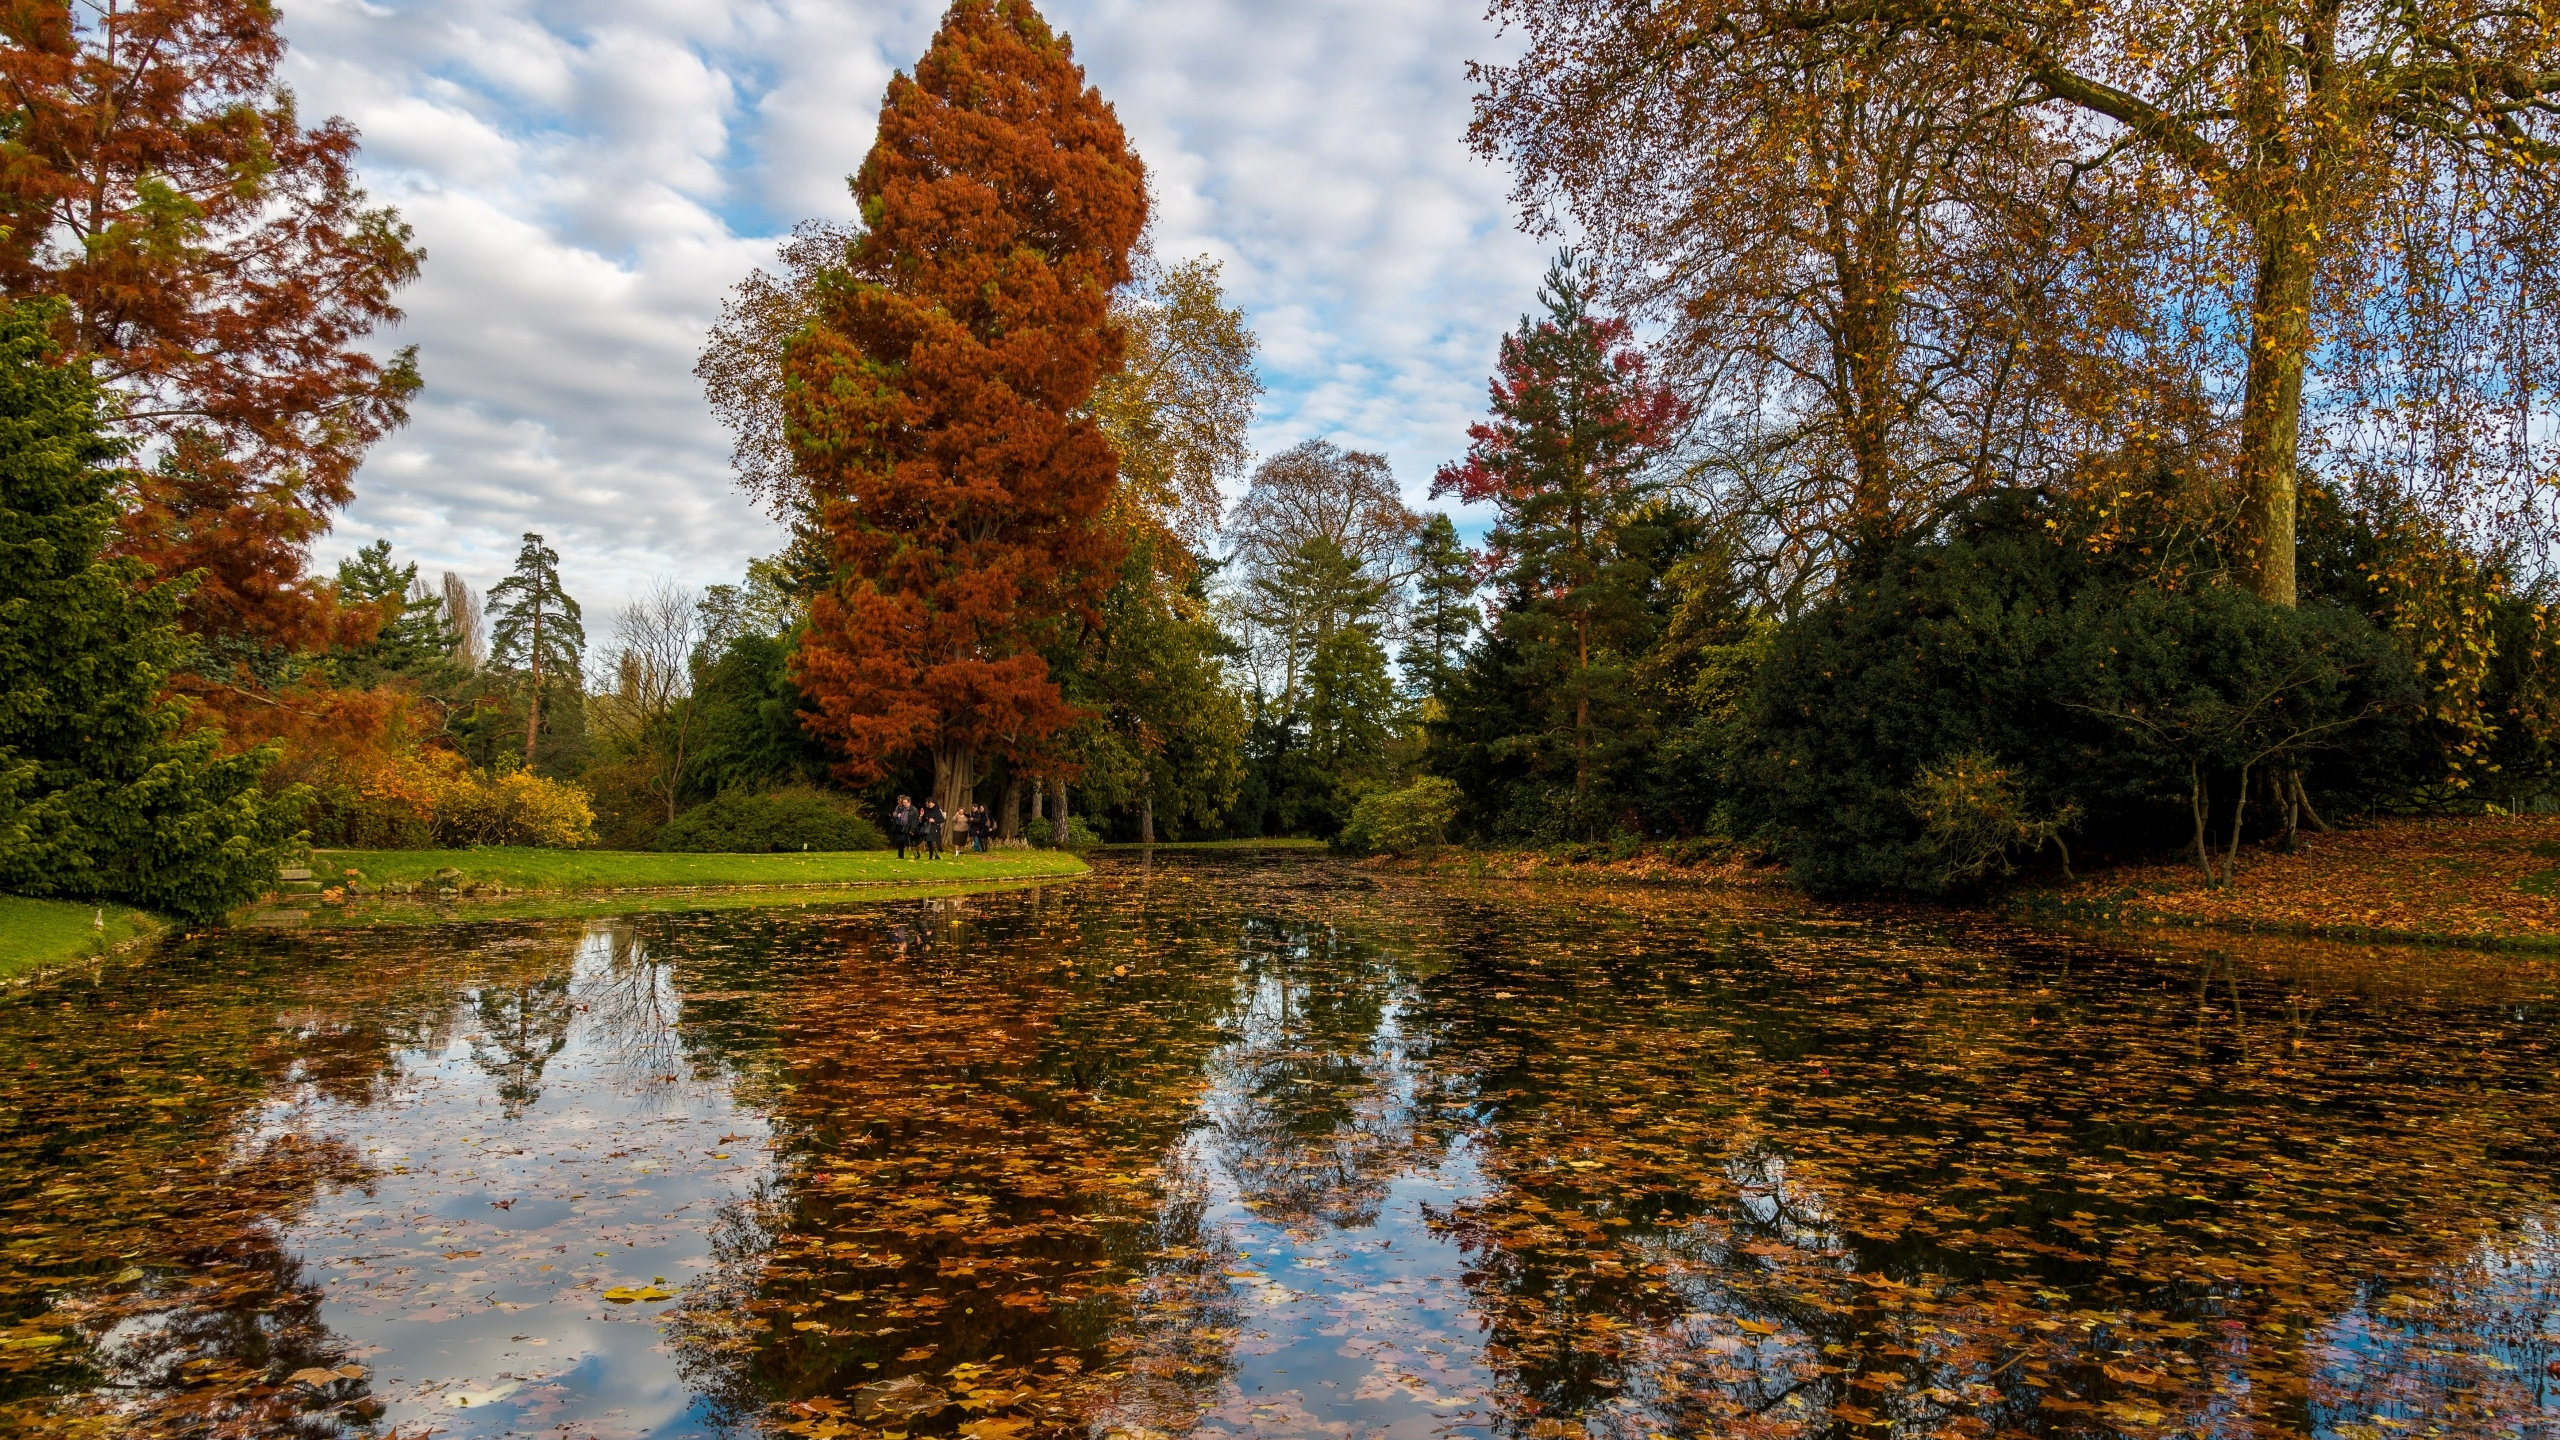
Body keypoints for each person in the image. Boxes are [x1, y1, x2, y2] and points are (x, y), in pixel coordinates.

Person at [891, 796, 916, 861]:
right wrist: (896, 816)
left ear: (909, 802)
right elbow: (897, 816)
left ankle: (903, 855)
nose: (903, 804)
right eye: (903, 803)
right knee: (899, 841)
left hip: (907, 827)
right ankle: (900, 855)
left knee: (903, 841)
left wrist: (912, 829)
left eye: (905, 803)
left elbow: (914, 820)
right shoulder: (901, 809)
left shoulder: (913, 810)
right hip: (900, 826)